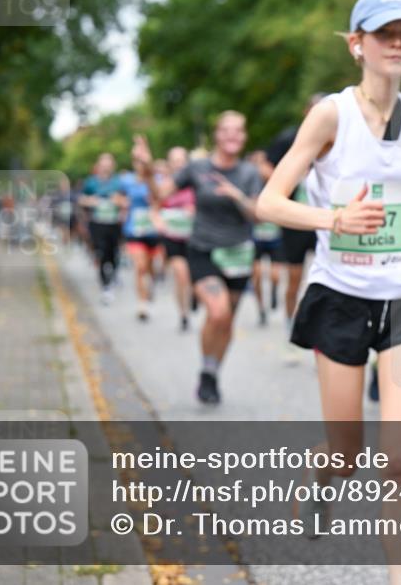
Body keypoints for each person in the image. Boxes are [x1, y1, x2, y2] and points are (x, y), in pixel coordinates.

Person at [256, 0, 401, 583]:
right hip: (339, 293)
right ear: (357, 45)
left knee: (397, 459)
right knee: (347, 452)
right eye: (385, 33)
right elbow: (269, 201)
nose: (399, 42)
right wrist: (333, 219)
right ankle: (321, 480)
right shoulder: (331, 114)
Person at [134, 111, 262, 405]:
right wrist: (147, 167)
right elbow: (160, 195)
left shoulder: (249, 173)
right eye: (226, 130)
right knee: (218, 312)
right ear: (217, 134)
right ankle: (206, 367)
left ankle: (212, 372)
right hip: (203, 249)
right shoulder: (197, 167)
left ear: (243, 137)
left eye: (238, 131)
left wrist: (236, 196)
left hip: (239, 253)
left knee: (227, 321)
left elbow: (257, 213)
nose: (232, 135)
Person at [264, 94, 326, 353]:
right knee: (295, 278)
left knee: (325, 279)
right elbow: (266, 168)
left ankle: (323, 336)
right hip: (295, 218)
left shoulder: (340, 136)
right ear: (306, 112)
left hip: (325, 219)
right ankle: (290, 324)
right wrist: (288, 180)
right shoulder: (290, 137)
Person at [151, 147, 196, 332]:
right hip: (173, 236)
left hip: (195, 237)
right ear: (169, 164)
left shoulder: (196, 182)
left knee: (193, 277)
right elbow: (153, 209)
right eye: (174, 160)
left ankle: (194, 295)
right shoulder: (165, 185)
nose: (178, 164)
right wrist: (159, 221)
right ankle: (184, 314)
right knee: (181, 275)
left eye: (181, 160)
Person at [79, 154, 127, 304]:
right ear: (98, 166)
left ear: (113, 166)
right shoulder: (90, 182)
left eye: (109, 164)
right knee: (100, 253)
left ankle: (113, 275)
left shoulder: (119, 182)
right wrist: (91, 201)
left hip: (114, 223)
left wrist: (118, 201)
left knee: (113, 253)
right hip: (97, 223)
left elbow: (127, 201)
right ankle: (105, 287)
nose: (106, 167)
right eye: (103, 164)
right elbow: (81, 199)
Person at [121, 157, 162, 322]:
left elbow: (163, 198)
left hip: (153, 230)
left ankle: (150, 284)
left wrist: (155, 204)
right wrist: (123, 202)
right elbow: (117, 197)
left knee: (150, 267)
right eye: (138, 162)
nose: (141, 166)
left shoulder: (156, 180)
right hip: (134, 228)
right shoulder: (127, 181)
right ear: (134, 164)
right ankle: (142, 305)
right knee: (140, 267)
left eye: (144, 163)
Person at [248, 150, 283, 327]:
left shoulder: (277, 184)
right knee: (257, 276)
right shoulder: (249, 185)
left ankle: (275, 291)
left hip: (274, 236)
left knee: (275, 275)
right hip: (255, 238)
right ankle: (261, 308)